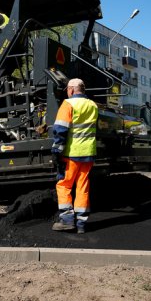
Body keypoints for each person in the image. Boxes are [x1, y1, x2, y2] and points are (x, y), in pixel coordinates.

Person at [51, 78, 98, 234]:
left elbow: (60, 130)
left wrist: (56, 151)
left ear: (71, 89)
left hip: (71, 154)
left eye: (67, 90)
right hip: (88, 153)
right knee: (82, 187)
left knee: (64, 185)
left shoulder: (68, 104)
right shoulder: (92, 105)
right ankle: (81, 224)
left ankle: (66, 220)